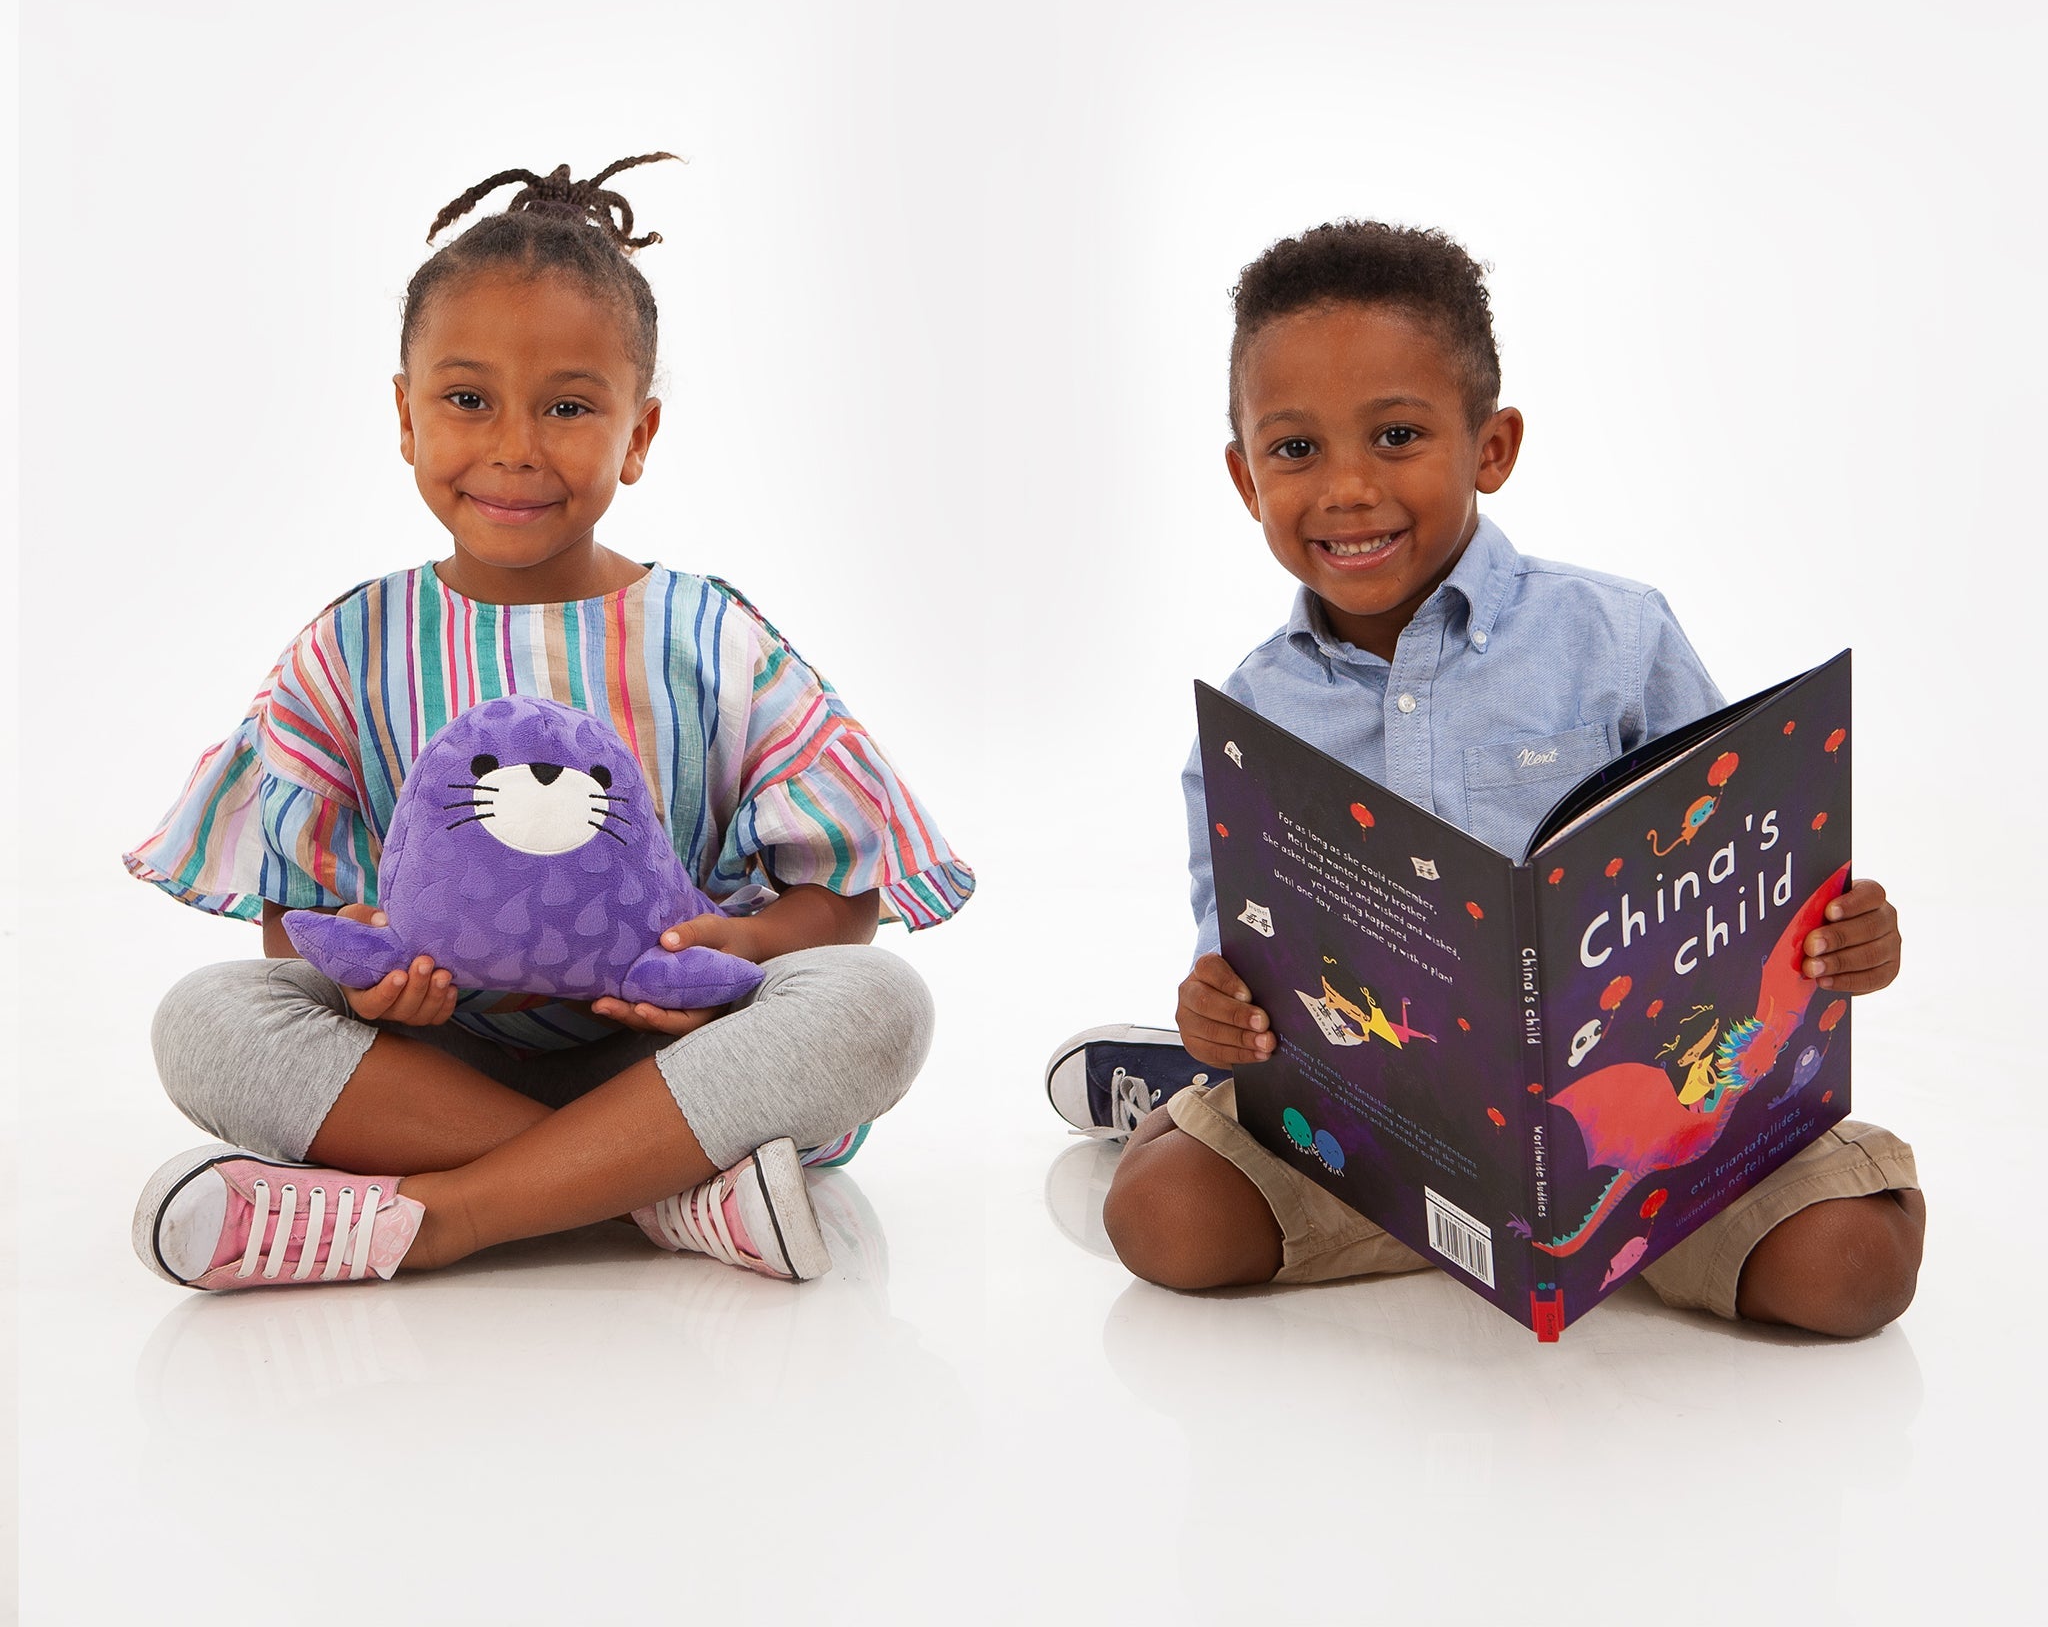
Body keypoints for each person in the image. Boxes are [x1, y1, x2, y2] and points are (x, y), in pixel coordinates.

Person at [127, 156, 972, 1291]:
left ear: (639, 433)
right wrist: (370, 982)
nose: (516, 446)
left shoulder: (710, 638)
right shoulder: (355, 644)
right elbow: (298, 919)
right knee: (208, 1019)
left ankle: (445, 1215)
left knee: (877, 1005)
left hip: (673, 1063)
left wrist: (748, 948)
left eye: (569, 407)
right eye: (467, 399)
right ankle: (659, 1193)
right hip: (435, 1070)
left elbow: (846, 895)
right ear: (405, 414)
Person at [1078, 221, 1922, 1337]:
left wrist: (1840, 936)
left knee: (1850, 1270)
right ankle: (1160, 1093)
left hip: (1655, 1124)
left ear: (1491, 446)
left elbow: (1746, 859)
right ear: (1243, 476)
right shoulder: (1248, 717)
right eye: (1294, 449)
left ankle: (1591, 1225)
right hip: (1377, 1132)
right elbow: (1232, 944)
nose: (1345, 487)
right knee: (1163, 1221)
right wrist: (1212, 1012)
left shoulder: (1615, 635)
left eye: (1395, 435)